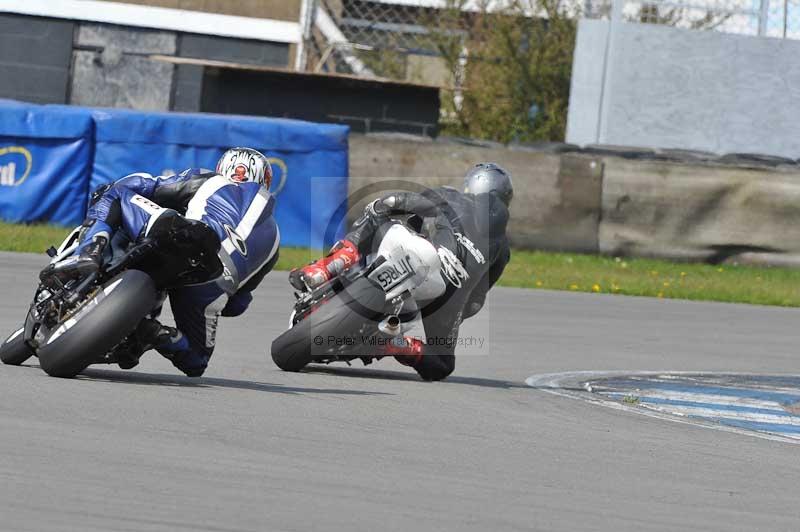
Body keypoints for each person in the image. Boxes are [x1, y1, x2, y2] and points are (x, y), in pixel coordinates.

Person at [49, 147, 280, 376]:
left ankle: (89, 250)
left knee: (114, 192)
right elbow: (238, 305)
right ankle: (154, 333)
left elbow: (145, 186)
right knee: (196, 362)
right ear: (265, 180)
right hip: (214, 283)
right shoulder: (275, 241)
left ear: (224, 167)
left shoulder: (210, 179)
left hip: (186, 235)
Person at [289, 162, 512, 381]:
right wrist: (453, 313)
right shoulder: (502, 250)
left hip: (420, 258)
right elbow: (476, 301)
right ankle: (398, 345)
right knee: (443, 364)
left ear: (471, 185)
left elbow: (403, 200)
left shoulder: (452, 196)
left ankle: (327, 266)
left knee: (380, 210)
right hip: (448, 296)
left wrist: (382, 206)